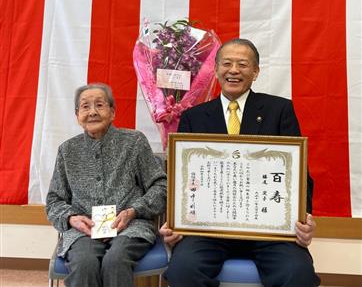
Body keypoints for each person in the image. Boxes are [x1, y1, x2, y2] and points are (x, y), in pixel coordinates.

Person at [160, 38, 320, 287]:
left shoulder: (280, 110)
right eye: (227, 63)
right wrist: (175, 219)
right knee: (183, 270)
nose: (233, 70)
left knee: (297, 272)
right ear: (215, 69)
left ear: (255, 72)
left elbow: (299, 175)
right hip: (208, 230)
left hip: (269, 228)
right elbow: (182, 180)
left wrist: (303, 219)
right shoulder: (194, 117)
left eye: (242, 64)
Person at [46, 83, 167, 287]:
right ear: (77, 115)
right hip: (84, 230)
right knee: (84, 263)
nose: (92, 111)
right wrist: (72, 218)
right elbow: (54, 200)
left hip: (131, 226)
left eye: (100, 105)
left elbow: (160, 187)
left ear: (112, 112)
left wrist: (134, 211)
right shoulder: (68, 151)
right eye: (85, 106)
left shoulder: (134, 142)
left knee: (115, 261)